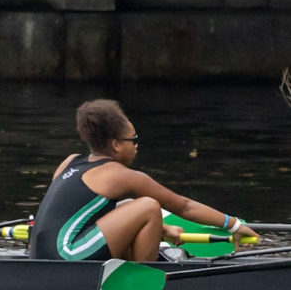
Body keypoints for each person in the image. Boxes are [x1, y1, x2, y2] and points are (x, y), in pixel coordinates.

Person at [29, 99, 258, 262]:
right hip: (66, 256)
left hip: (38, 256)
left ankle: (134, 265)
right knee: (149, 206)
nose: (136, 145)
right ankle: (142, 281)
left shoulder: (69, 162)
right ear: (116, 144)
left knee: (129, 206)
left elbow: (79, 216)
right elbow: (183, 206)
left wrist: (162, 227)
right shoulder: (120, 175)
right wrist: (234, 225)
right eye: (133, 139)